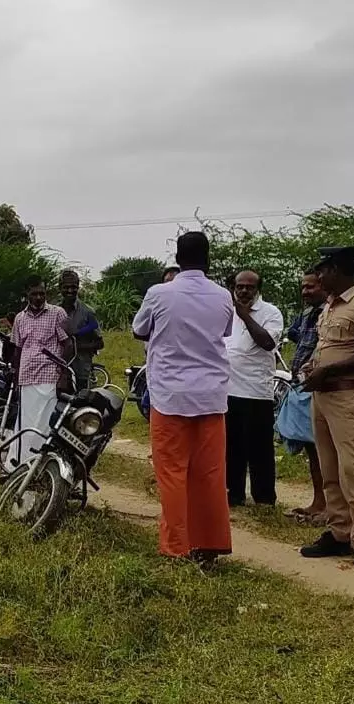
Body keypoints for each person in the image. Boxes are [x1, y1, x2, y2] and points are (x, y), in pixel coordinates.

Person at [131, 231, 234, 566]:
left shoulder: (159, 293)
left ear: (177, 257)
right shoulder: (223, 296)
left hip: (170, 397)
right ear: (208, 259)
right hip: (211, 397)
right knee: (210, 473)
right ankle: (209, 545)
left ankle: (177, 546)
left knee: (173, 473)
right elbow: (226, 332)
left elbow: (138, 329)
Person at [300, 246, 354, 575]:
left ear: (337, 270)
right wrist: (314, 368)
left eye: (322, 269)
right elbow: (328, 347)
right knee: (329, 469)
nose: (318, 276)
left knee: (351, 468)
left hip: (346, 398)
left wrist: (331, 372)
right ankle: (339, 532)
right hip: (321, 398)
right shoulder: (329, 307)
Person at [224, 270, 284, 507]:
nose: (244, 291)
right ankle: (234, 494)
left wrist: (246, 316)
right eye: (239, 287)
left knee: (259, 449)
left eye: (249, 287)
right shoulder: (228, 313)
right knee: (232, 447)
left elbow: (268, 342)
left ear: (258, 289)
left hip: (256, 392)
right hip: (228, 391)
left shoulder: (270, 313)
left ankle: (264, 498)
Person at [282, 270, 328, 524]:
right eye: (303, 287)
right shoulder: (308, 314)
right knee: (312, 447)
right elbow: (294, 333)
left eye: (310, 287)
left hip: (321, 387)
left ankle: (332, 506)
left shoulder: (330, 312)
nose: (305, 292)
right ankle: (319, 501)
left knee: (324, 449)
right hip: (302, 384)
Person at [10, 275, 69, 468]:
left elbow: (67, 344)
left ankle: (43, 463)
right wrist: (15, 375)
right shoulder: (20, 318)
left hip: (49, 375)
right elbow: (18, 349)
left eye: (42, 293)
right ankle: (21, 463)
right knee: (26, 422)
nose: (38, 297)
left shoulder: (57, 313)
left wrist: (64, 373)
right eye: (34, 293)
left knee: (45, 422)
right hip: (27, 376)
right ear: (27, 294)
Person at [59, 269, 102, 394]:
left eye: (73, 287)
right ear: (60, 287)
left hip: (81, 371)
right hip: (58, 371)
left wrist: (76, 346)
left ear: (78, 287)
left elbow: (100, 343)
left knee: (81, 407)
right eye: (66, 287)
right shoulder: (53, 311)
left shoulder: (87, 312)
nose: (70, 291)